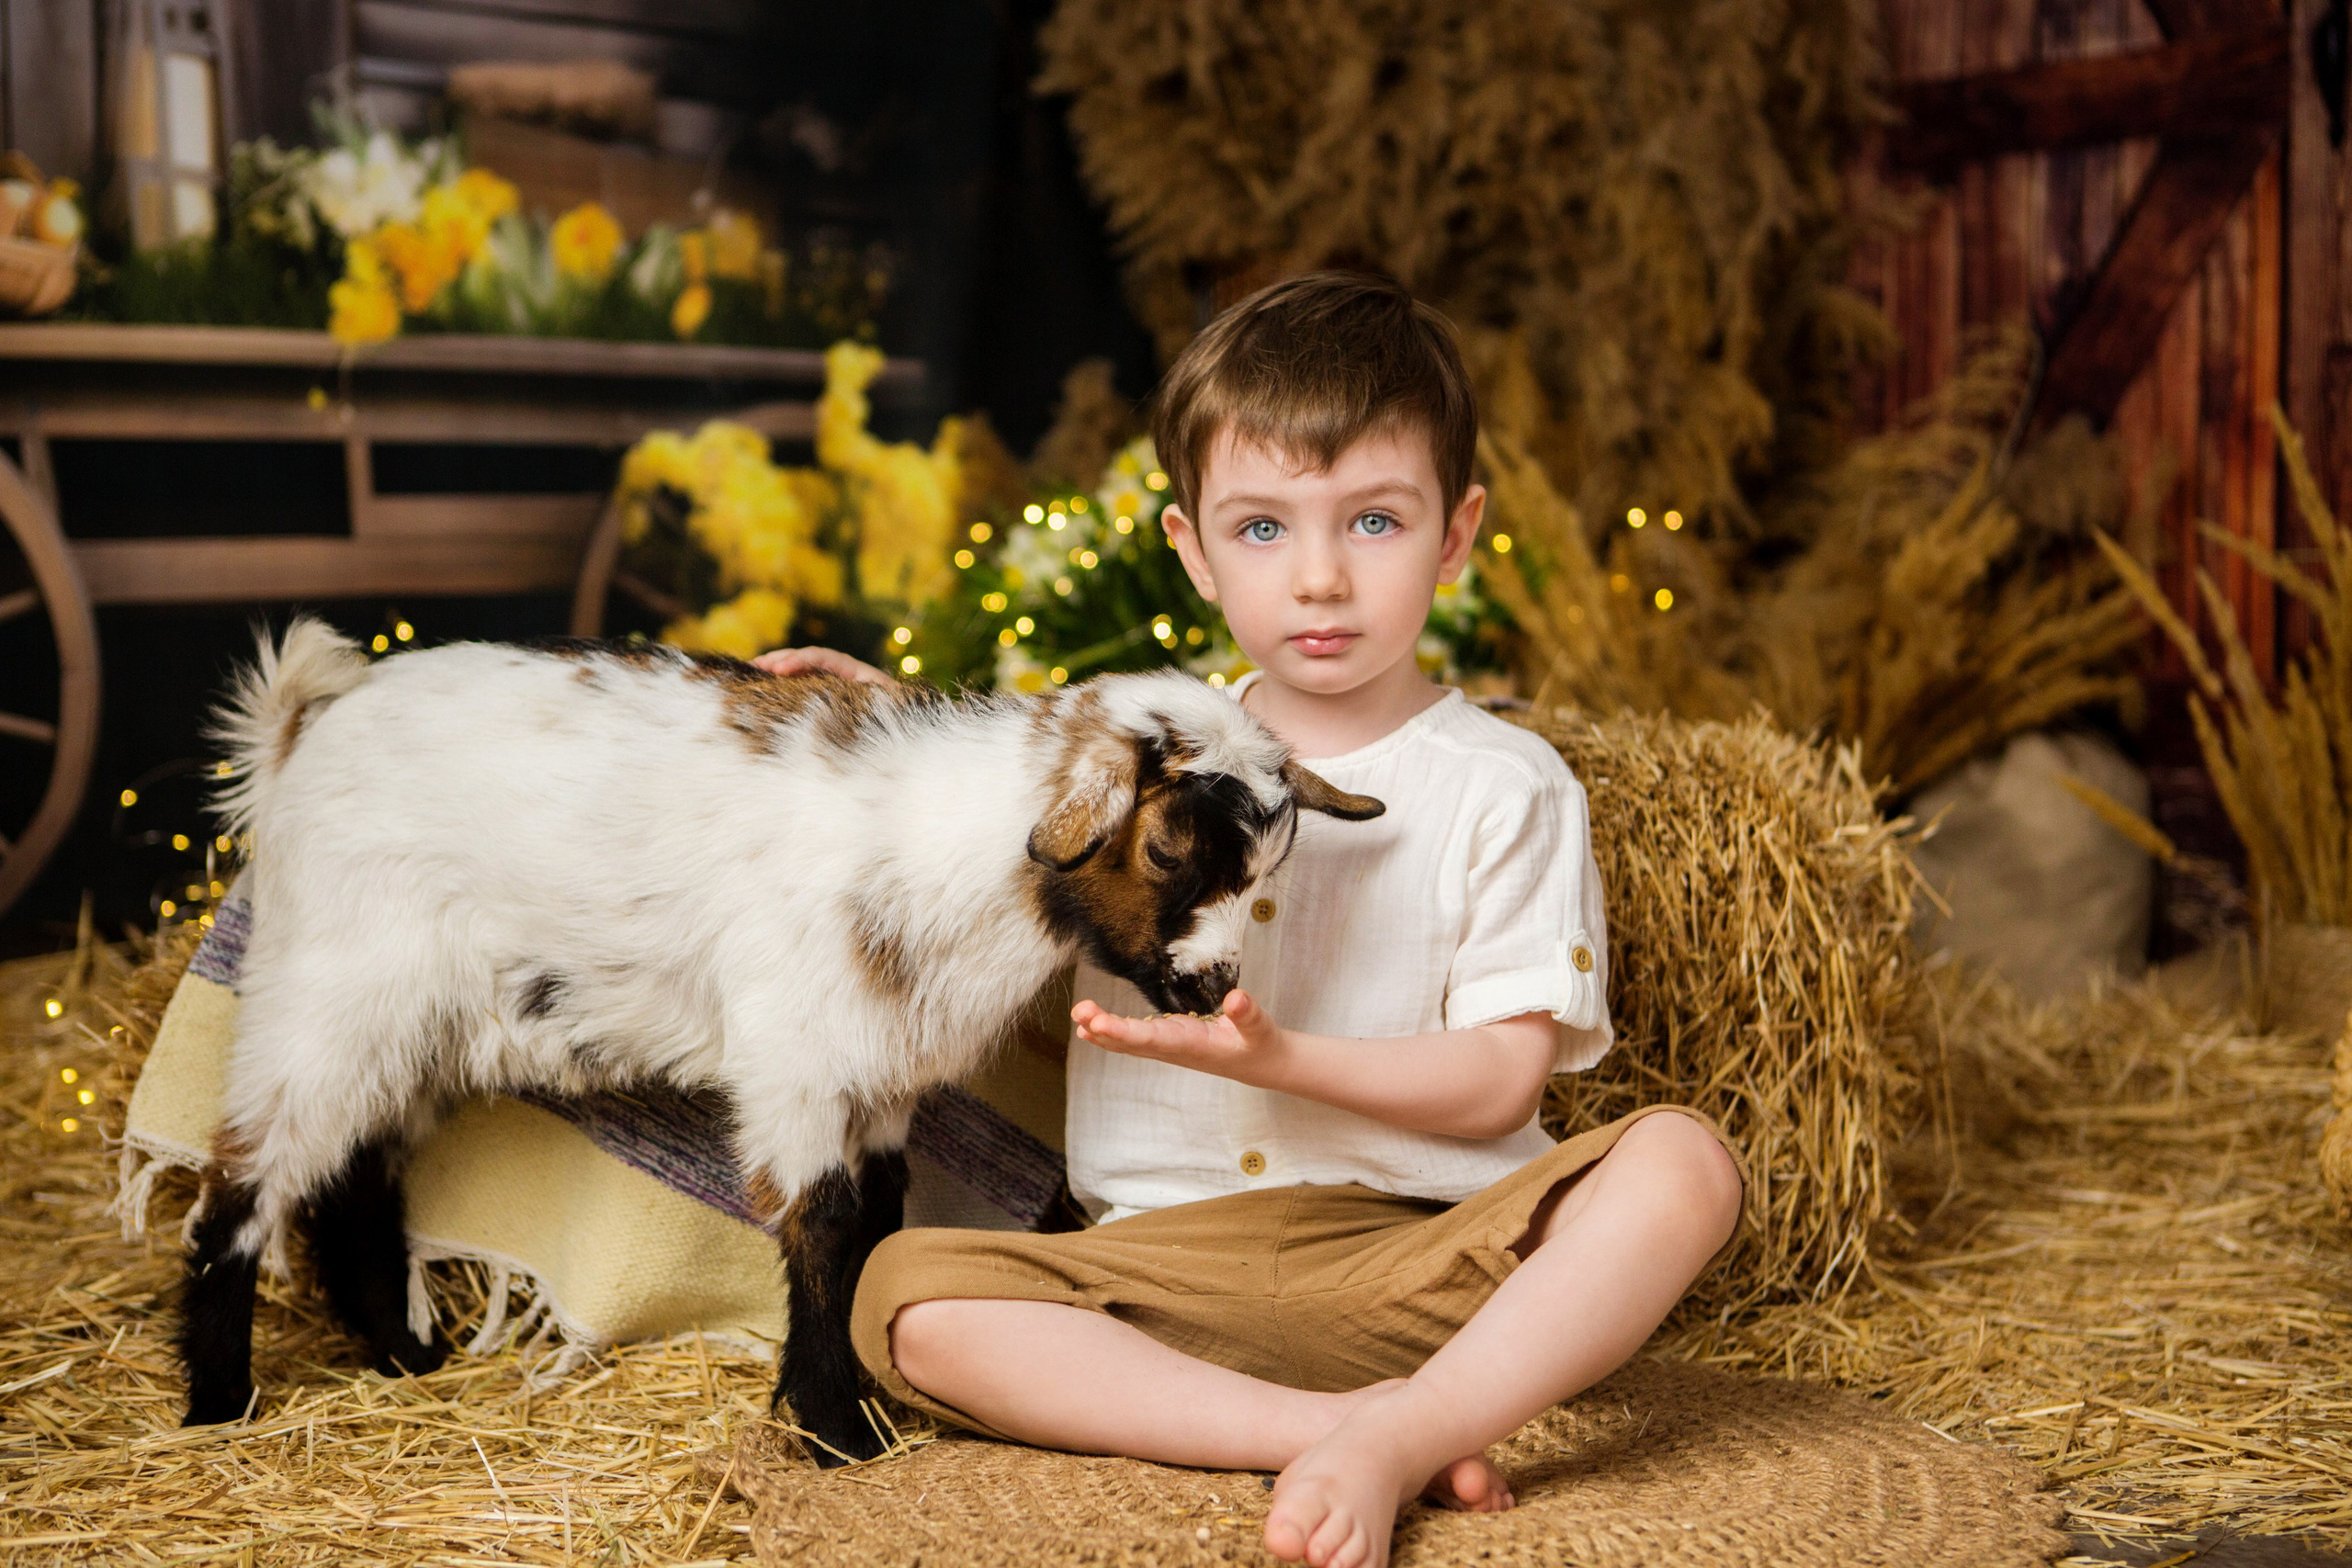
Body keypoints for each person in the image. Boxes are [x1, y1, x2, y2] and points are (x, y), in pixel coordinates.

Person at [752, 271, 1745, 1568]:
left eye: (1375, 522)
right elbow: (977, 831)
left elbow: (1503, 1085)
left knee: (1682, 1166)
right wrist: (891, 725)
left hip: (1424, 1270)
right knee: (904, 1297)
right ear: (1194, 552)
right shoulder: (1125, 754)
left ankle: (1413, 1418)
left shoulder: (1508, 785)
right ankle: (1341, 1429)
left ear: (1456, 535)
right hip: (1165, 1279)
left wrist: (1282, 1062)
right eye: (1263, 529)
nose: (1321, 579)